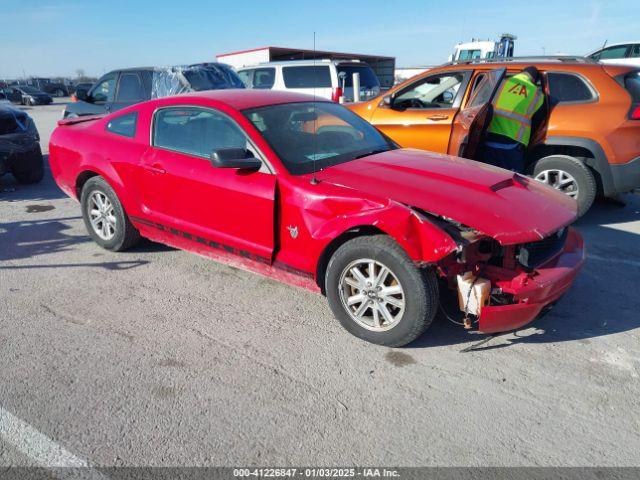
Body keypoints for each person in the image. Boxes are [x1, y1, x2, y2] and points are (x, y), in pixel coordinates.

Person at [480, 66, 545, 173]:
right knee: (513, 180)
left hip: (490, 138)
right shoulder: (537, 94)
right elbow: (537, 120)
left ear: (521, 73)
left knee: (488, 176)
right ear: (534, 80)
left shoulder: (501, 83)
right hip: (512, 144)